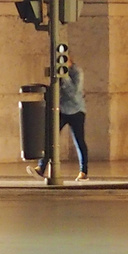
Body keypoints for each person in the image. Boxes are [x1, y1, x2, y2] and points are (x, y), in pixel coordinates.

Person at [28, 54, 90, 182]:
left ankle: (83, 172)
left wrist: (64, 76)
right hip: (61, 110)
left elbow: (74, 93)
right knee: (50, 138)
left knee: (79, 141)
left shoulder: (77, 72)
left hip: (76, 111)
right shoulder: (58, 73)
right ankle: (41, 167)